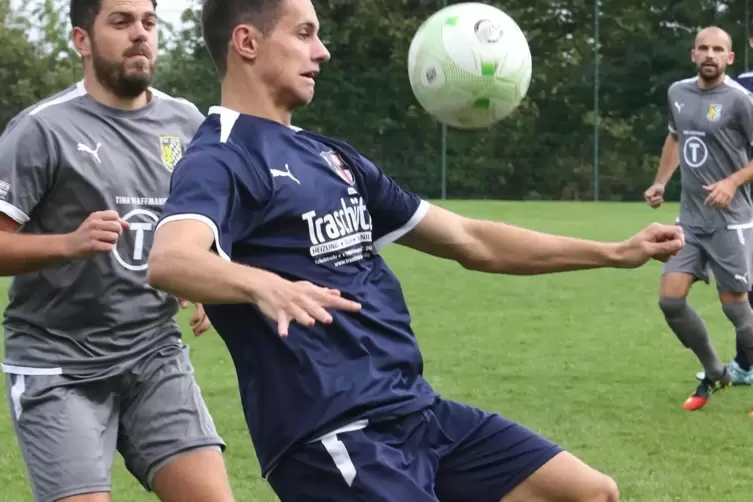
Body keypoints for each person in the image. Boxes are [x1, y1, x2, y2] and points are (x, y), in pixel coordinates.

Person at [147, 0, 682, 500]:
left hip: (416, 413)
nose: (322, 51)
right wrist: (263, 285)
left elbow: (470, 240)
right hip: (333, 435)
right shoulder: (222, 155)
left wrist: (615, 251)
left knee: (589, 492)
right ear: (246, 42)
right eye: (304, 33)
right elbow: (172, 260)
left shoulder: (330, 156)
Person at [0, 1, 235, 501]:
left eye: (148, 23)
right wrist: (69, 244)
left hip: (154, 356)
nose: (140, 35)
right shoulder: (41, 130)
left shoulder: (186, 122)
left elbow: (204, 222)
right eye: (122, 22)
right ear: (81, 40)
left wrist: (207, 276)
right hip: (58, 364)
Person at [644, 26, 753, 411]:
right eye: (703, 48)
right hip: (689, 220)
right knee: (670, 302)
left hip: (732, 220)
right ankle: (717, 372)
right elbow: (676, 137)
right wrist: (660, 182)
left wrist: (732, 181)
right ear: (693, 55)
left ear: (730, 58)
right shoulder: (678, 92)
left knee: (735, 306)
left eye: (718, 49)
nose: (710, 54)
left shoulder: (741, 101)